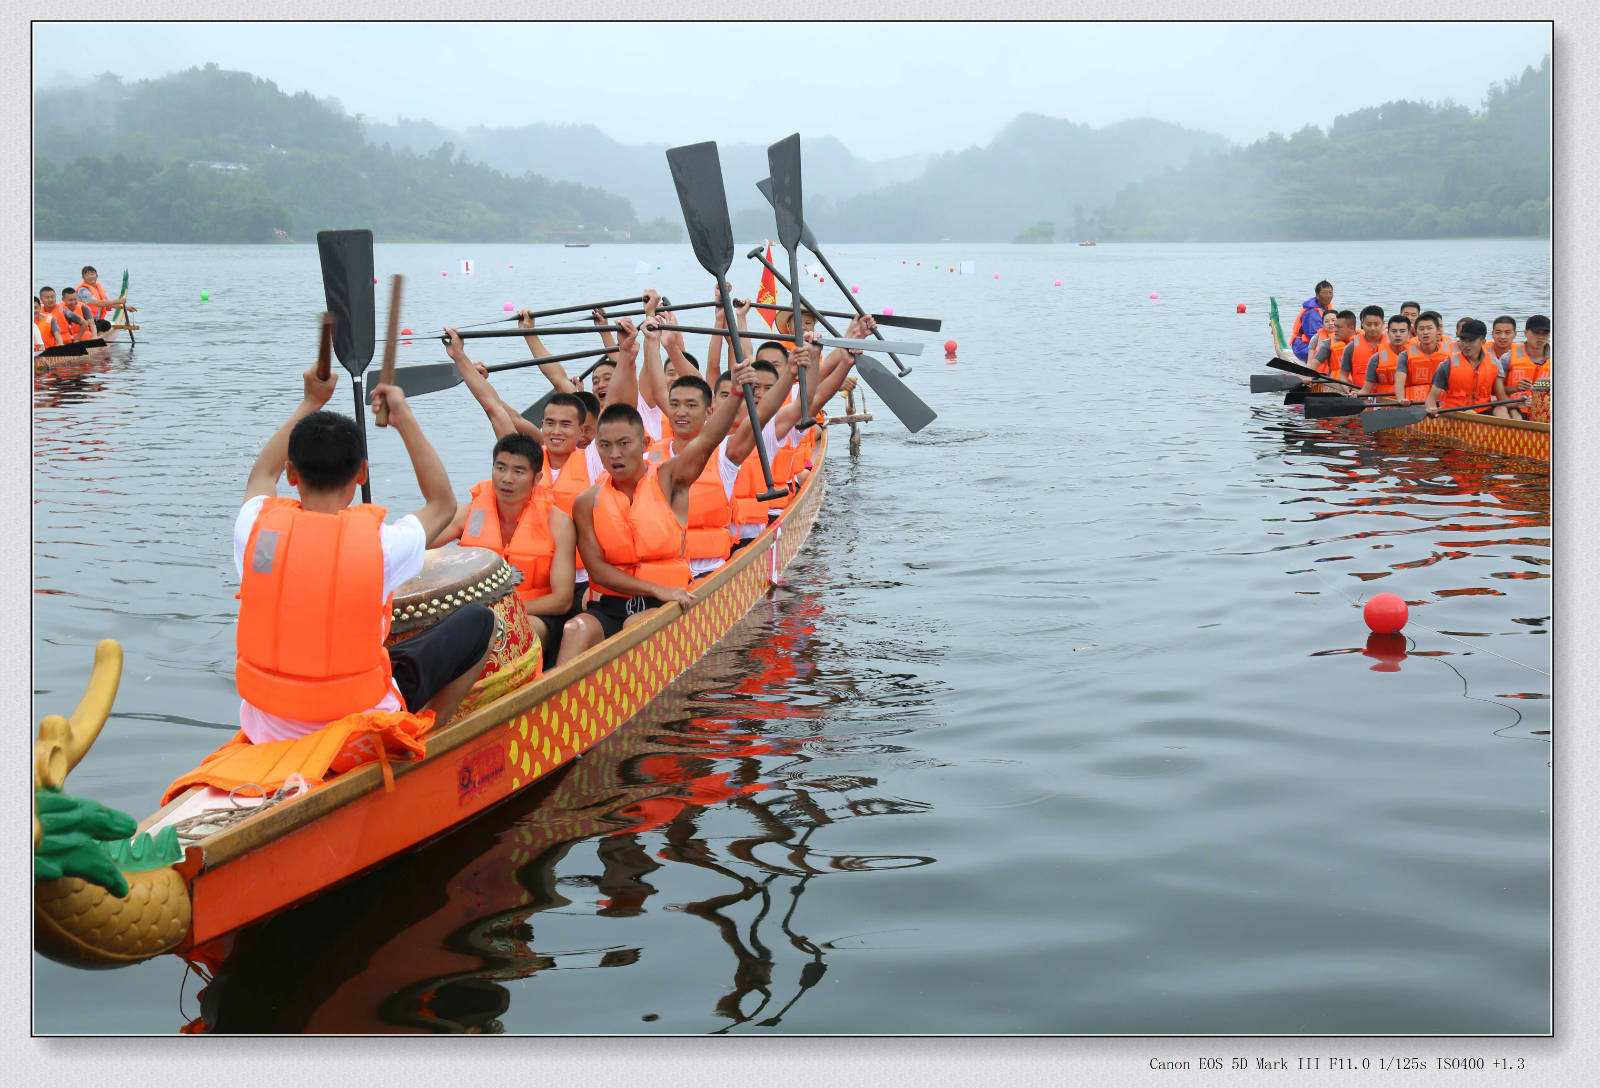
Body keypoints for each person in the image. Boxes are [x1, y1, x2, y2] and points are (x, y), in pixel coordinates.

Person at [233, 363, 491, 745]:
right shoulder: (381, 545)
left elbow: (260, 475)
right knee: (480, 622)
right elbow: (442, 503)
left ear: (291, 473)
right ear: (362, 474)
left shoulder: (256, 532)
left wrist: (310, 402)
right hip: (358, 730)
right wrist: (403, 417)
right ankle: (427, 741)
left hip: (268, 726)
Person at [555, 377, 755, 664]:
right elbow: (597, 571)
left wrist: (735, 392)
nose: (615, 454)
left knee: (634, 626)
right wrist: (652, 587)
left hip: (664, 602)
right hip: (612, 605)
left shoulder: (670, 480)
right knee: (575, 628)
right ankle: (558, 691)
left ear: (644, 443)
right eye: (605, 445)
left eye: (624, 444)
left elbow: (707, 441)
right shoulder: (586, 502)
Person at [1424, 318, 1513, 418]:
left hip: (1483, 411)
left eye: (1471, 341)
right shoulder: (1447, 365)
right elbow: (1431, 400)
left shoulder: (1495, 363)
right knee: (1470, 412)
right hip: (1454, 413)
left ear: (1483, 341)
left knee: (1501, 409)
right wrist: (1431, 410)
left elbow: (1501, 397)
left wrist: (1519, 404)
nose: (1465, 345)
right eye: (1463, 340)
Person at [1393, 310, 1448, 404]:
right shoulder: (1405, 355)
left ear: (1438, 331)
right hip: (1414, 403)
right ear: (1416, 332)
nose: (1425, 332)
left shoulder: (1449, 355)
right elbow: (1399, 381)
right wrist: (1401, 399)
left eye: (1429, 328)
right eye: (1421, 329)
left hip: (1442, 403)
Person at [1357, 314, 1413, 399]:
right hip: (1384, 403)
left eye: (1402, 331)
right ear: (1388, 333)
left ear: (1409, 333)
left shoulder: (1418, 354)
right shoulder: (1376, 359)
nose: (1398, 335)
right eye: (1394, 331)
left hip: (1412, 403)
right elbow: (1366, 390)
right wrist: (1356, 395)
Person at [1339, 305, 1386, 385]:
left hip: (1387, 392)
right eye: (1369, 324)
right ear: (1362, 323)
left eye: (1376, 324)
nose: (1372, 328)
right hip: (1359, 391)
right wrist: (1346, 388)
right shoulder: (1351, 347)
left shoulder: (1393, 345)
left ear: (1383, 323)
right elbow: (1343, 375)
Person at [76, 265, 134, 331]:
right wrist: (118, 301)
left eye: (92, 274)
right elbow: (98, 303)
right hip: (85, 320)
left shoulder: (97, 288)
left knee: (107, 325)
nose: (90, 277)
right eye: (87, 275)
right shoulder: (83, 290)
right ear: (83, 277)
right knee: (98, 327)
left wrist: (126, 308)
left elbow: (109, 304)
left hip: (95, 319)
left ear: (96, 276)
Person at [1289, 281, 1334, 361]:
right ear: (1317, 295)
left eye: (1330, 292)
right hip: (1303, 346)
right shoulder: (1311, 312)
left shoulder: (1327, 307)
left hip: (1319, 341)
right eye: (1324, 293)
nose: (1328, 295)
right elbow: (1313, 335)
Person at [1308, 309, 1354, 378]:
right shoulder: (1316, 338)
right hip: (1319, 375)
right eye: (1326, 321)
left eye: (1333, 320)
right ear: (1323, 324)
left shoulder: (1347, 337)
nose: (1330, 323)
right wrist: (1308, 376)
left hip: (1341, 375)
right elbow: (1310, 361)